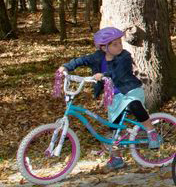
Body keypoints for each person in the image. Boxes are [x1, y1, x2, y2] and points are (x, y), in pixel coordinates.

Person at [59, 27, 157, 170]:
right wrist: (66, 67)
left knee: (134, 105)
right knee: (114, 128)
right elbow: (83, 60)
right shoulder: (97, 56)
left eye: (120, 43)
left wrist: (104, 75)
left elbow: (119, 72)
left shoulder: (124, 56)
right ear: (104, 47)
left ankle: (151, 131)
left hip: (129, 90)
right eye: (115, 44)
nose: (120, 46)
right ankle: (117, 158)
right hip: (115, 96)